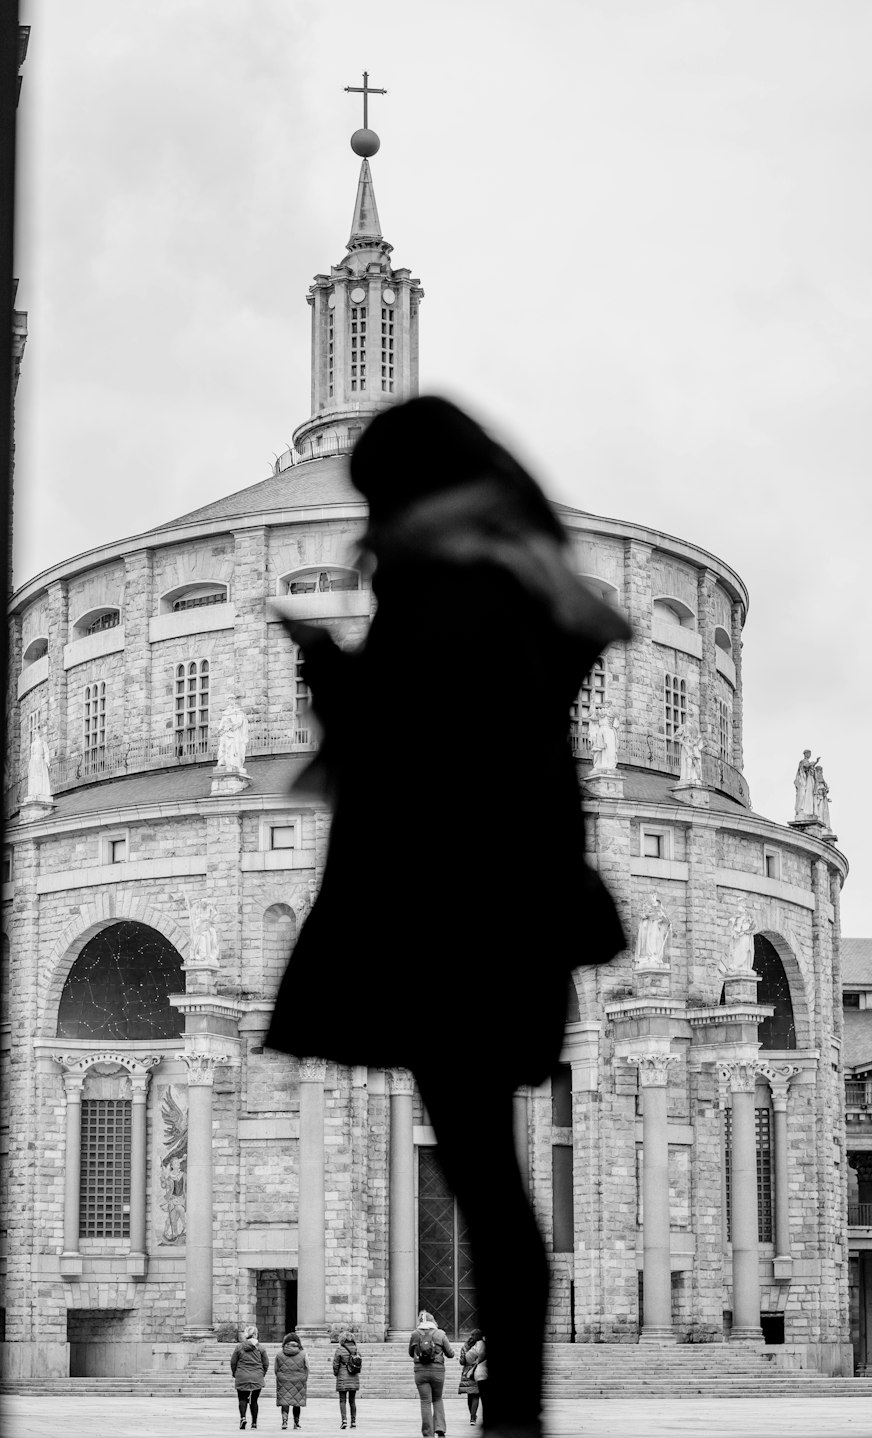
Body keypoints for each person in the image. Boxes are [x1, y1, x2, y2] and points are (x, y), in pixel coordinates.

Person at [266, 396, 630, 1438]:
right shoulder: (505, 573)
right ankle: (514, 1413)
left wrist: (333, 676)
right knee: (491, 1181)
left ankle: (513, 1417)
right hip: (494, 919)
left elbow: (436, 742)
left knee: (487, 1187)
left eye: (381, 493)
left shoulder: (459, 583)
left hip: (453, 922)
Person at [409, 1309, 455, 1438]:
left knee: (425, 1401)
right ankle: (440, 1428)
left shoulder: (415, 1334)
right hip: (438, 1371)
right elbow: (450, 1354)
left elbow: (410, 1353)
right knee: (437, 1399)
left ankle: (428, 1434)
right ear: (433, 1320)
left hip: (420, 1371)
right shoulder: (440, 1334)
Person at [230, 1325, 269, 1430]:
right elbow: (266, 1363)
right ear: (256, 1334)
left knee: (242, 1398)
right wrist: (262, 1374)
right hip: (257, 1376)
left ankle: (243, 1418)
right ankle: (254, 1423)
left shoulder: (239, 1347)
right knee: (254, 1400)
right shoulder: (261, 1348)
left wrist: (235, 1373)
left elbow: (233, 1362)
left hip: (242, 1375)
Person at [274, 1331, 308, 1430]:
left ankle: (284, 1421)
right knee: (297, 1402)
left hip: (283, 1379)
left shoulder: (279, 1354)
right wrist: (304, 1378)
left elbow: (276, 1369)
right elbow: (307, 1367)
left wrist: (281, 1376)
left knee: (285, 1401)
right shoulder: (303, 1354)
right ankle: (296, 1423)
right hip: (299, 1380)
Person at [332, 1330, 361, 1429]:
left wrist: (336, 1373)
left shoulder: (340, 1349)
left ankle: (344, 1421)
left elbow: (335, 1364)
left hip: (342, 1377)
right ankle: (353, 1422)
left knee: (342, 1400)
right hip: (354, 1376)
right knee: (352, 1401)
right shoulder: (356, 1349)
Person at [458, 1328, 484, 1426]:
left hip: (467, 1372)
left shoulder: (466, 1346)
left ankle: (472, 1417)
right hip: (479, 1371)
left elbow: (462, 1361)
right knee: (476, 1395)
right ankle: (473, 1417)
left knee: (470, 1395)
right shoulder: (482, 1345)